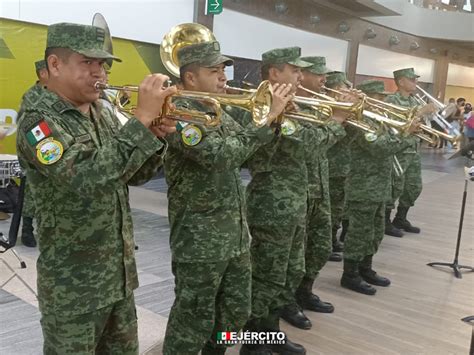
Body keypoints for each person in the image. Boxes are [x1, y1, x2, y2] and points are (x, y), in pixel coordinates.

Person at [16, 22, 177, 354]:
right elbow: (85, 177)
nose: (98, 72)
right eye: (87, 62)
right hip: (73, 289)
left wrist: (154, 136)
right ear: (55, 65)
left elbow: (128, 174)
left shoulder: (100, 111)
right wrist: (140, 122)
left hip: (117, 276)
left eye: (102, 64)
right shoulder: (39, 122)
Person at [162, 40, 291, 355]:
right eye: (214, 71)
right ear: (191, 78)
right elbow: (219, 156)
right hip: (200, 239)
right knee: (193, 318)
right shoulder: (179, 112)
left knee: (234, 312)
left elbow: (248, 154)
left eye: (224, 70)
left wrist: (275, 119)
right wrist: (265, 121)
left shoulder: (218, 111)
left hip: (234, 235)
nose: (223, 78)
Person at [341, 80, 419, 295]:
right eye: (378, 96)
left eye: (384, 97)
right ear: (365, 97)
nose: (383, 101)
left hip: (380, 185)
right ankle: (350, 274)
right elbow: (380, 148)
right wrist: (407, 134)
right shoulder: (359, 121)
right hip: (363, 186)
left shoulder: (379, 120)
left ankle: (365, 268)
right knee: (359, 232)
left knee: (374, 231)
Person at [384, 68, 436, 237]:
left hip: (413, 149)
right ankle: (384, 221)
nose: (416, 83)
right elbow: (396, 124)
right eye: (412, 80)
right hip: (398, 150)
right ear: (401, 82)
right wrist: (421, 112)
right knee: (394, 186)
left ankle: (401, 218)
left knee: (414, 186)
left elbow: (420, 124)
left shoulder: (415, 100)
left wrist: (428, 117)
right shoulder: (392, 99)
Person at [17, 59, 49, 247]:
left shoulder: (52, 93)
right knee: (31, 192)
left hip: (48, 149)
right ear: (43, 74)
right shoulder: (32, 96)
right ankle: (27, 229)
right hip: (33, 150)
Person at [325, 71, 354, 258]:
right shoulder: (326, 108)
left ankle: (333, 240)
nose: (349, 90)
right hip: (329, 165)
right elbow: (327, 138)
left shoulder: (341, 107)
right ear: (335, 88)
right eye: (345, 86)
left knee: (338, 208)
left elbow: (350, 138)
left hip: (343, 165)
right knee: (328, 209)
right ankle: (326, 243)